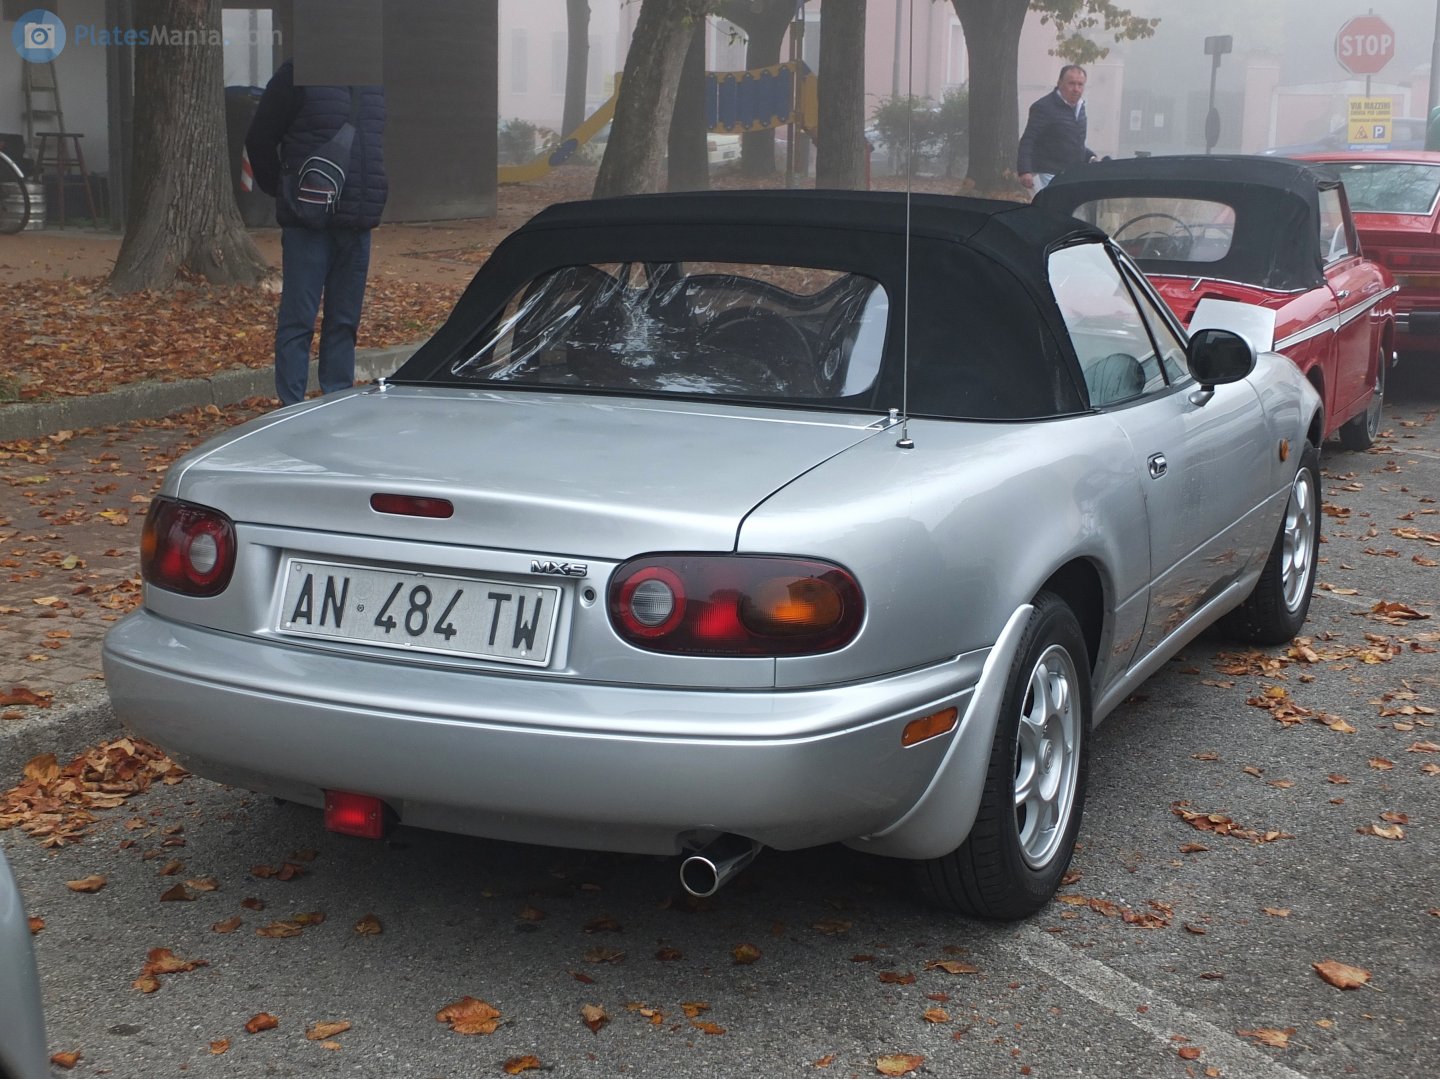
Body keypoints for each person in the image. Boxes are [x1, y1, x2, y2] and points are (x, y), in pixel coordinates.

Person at [245, 61, 388, 407]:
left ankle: (336, 404)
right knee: (299, 321)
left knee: (344, 323)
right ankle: (289, 407)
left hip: (357, 224)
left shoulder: (373, 81)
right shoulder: (296, 74)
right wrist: (283, 190)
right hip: (308, 225)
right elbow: (259, 138)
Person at [1017, 65, 1096, 195]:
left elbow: (1072, 142)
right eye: (1071, 83)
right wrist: (1025, 170)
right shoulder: (1043, 107)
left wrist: (1091, 157)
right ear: (1059, 83)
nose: (1076, 89)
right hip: (1047, 174)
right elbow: (1028, 139)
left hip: (1071, 175)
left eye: (1080, 84)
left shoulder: (1081, 108)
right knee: (1050, 212)